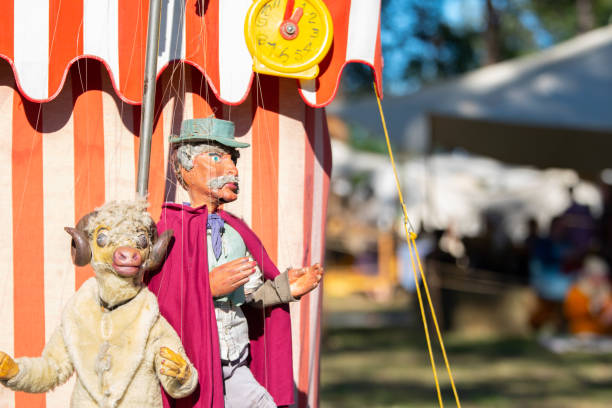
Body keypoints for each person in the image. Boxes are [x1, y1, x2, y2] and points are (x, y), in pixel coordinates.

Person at [146, 117, 323, 408]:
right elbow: (158, 301)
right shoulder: (170, 229)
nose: (232, 169)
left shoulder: (236, 231)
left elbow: (250, 296)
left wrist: (282, 289)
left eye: (233, 159)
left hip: (235, 361)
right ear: (185, 168)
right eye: (216, 157)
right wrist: (207, 287)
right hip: (194, 366)